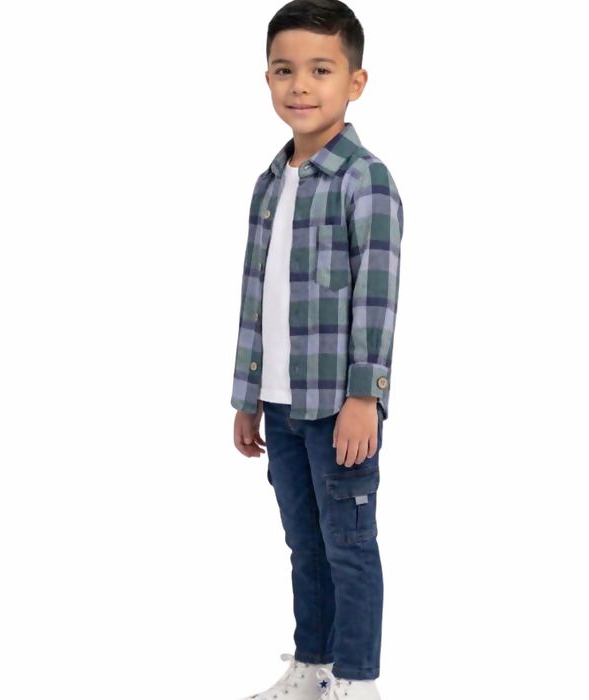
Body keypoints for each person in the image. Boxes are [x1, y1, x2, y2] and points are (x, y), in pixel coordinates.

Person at [230, 1, 403, 698]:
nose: (300, 85)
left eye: (321, 70)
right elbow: (256, 296)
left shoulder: (366, 179)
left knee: (349, 548)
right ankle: (314, 667)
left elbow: (378, 297)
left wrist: (366, 396)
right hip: (279, 404)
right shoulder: (270, 184)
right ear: (267, 78)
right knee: (304, 546)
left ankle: (358, 682)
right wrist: (247, 398)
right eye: (284, 70)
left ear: (355, 82)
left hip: (338, 406)